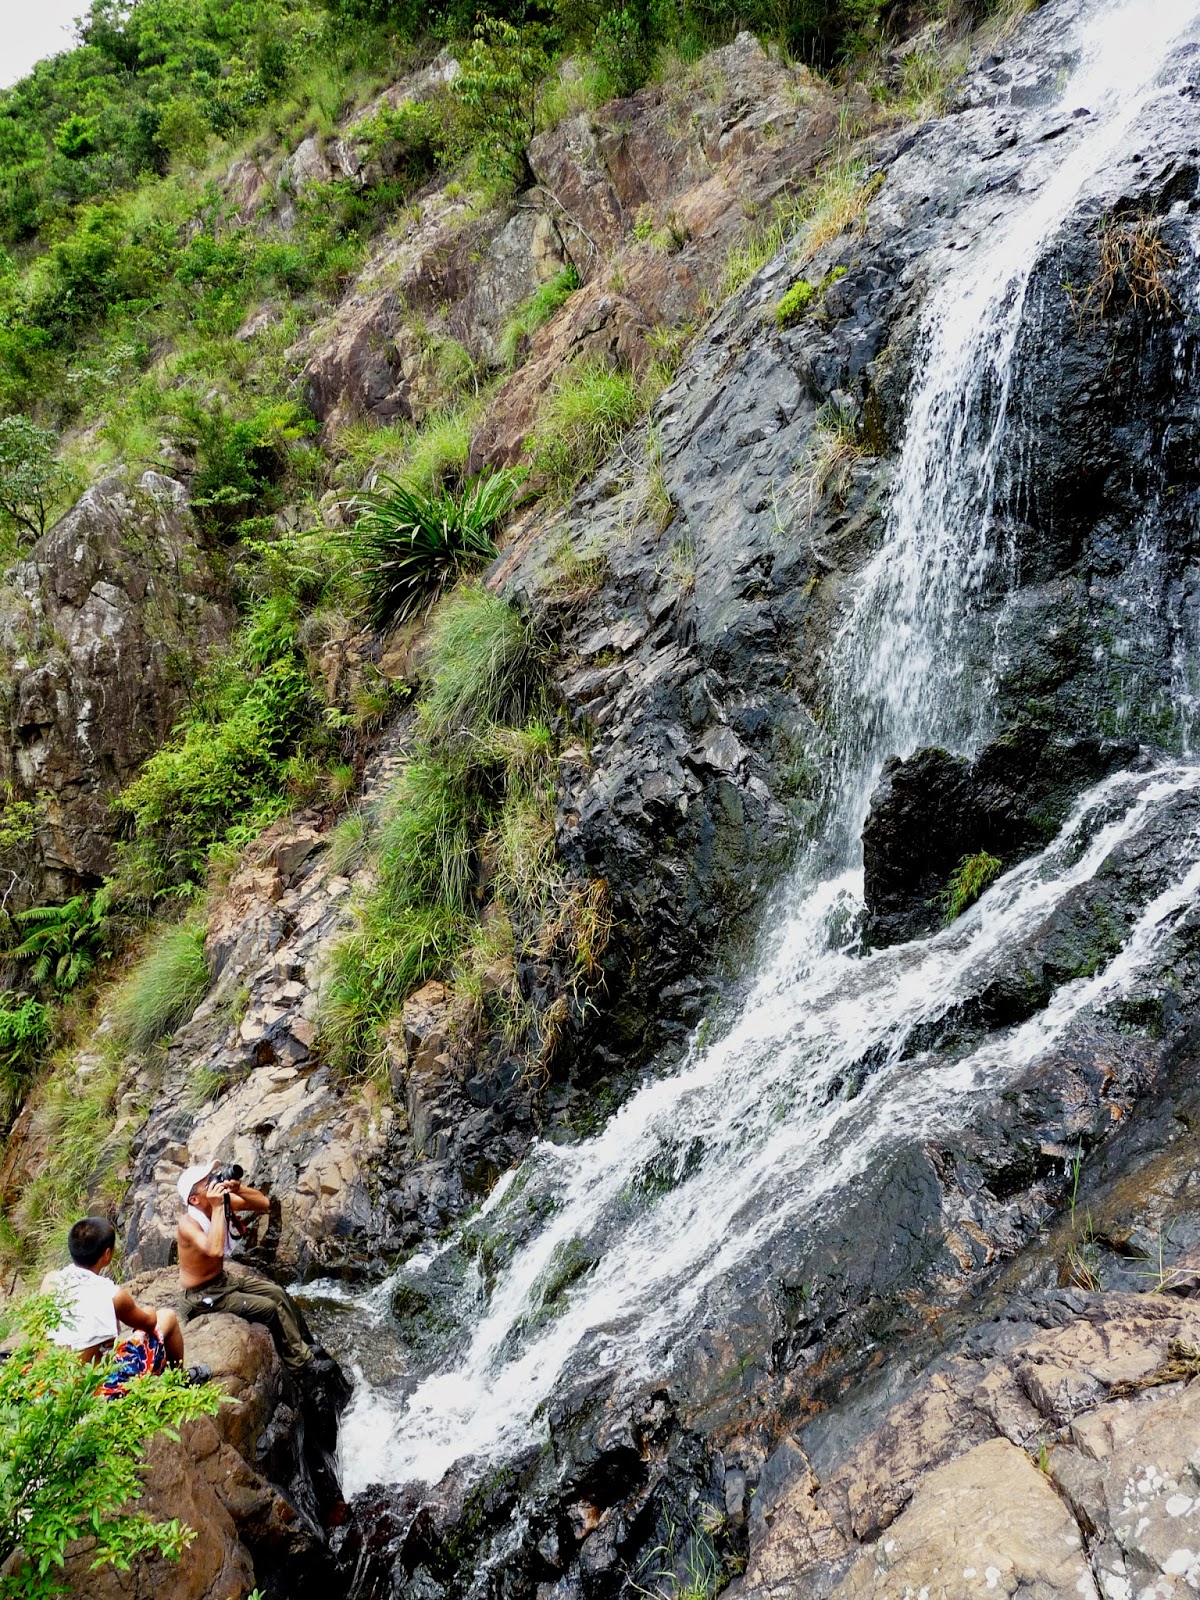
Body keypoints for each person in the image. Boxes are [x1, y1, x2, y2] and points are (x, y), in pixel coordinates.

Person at [41, 1216, 205, 1397]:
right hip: (93, 1391)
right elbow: (149, 1323)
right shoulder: (112, 1295)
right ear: (106, 1254)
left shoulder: (50, 1280)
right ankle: (177, 1380)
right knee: (168, 1317)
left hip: (49, 1387)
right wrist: (149, 1311)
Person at [176, 1162, 314, 1375]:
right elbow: (215, 1250)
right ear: (194, 1199)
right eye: (208, 1183)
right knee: (268, 1307)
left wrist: (239, 1189)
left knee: (276, 1293)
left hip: (222, 1280)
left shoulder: (221, 1202)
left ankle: (303, 1345)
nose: (215, 1182)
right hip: (202, 1295)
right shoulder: (188, 1224)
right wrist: (219, 1207)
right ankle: (296, 1363)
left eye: (214, 1177)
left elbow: (264, 1204)